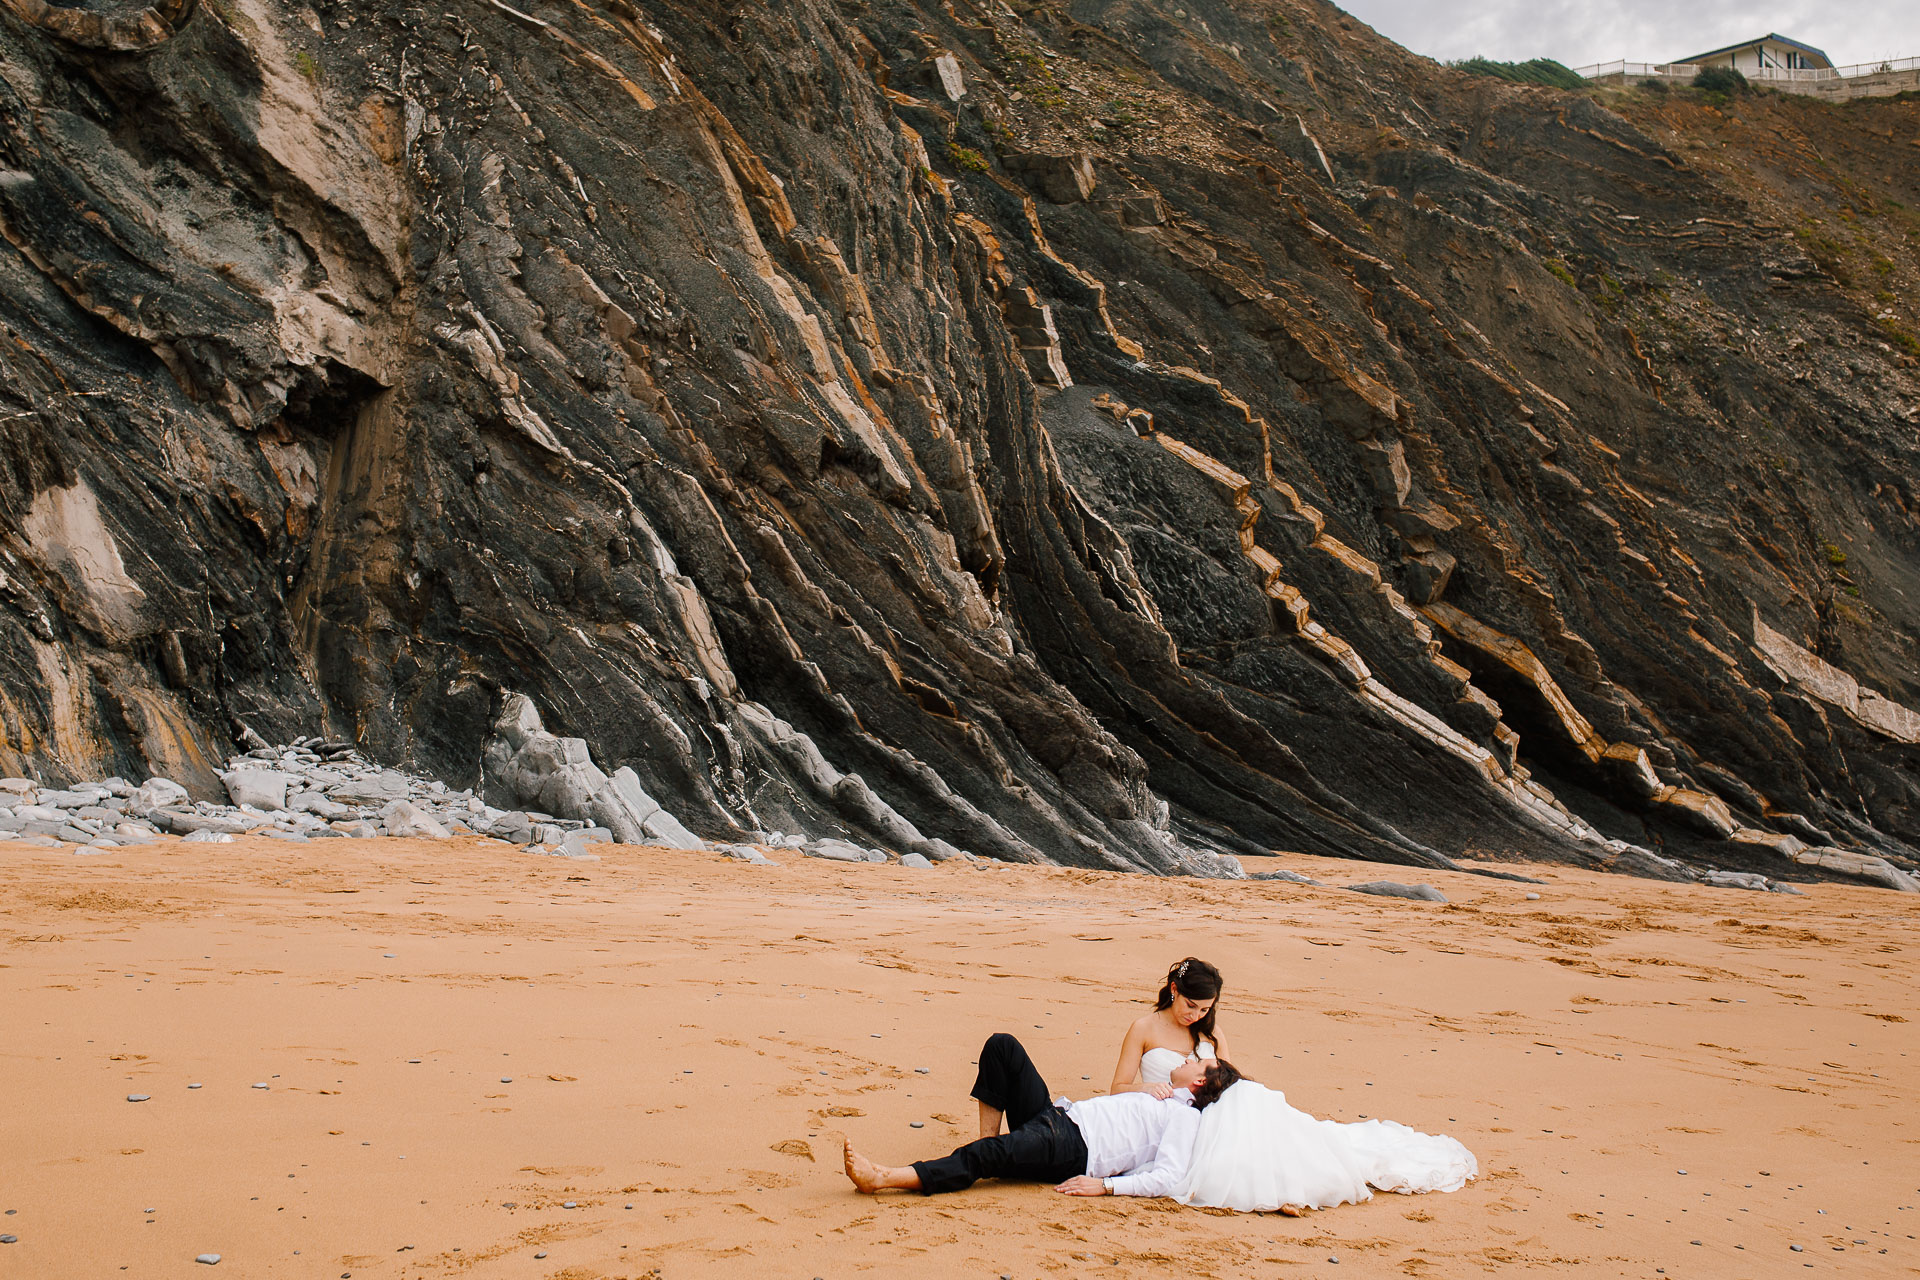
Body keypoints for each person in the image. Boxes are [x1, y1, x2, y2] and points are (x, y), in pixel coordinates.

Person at [843, 1032, 1243, 1197]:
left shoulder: (1185, 1117)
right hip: (1059, 1116)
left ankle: (884, 1179)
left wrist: (1104, 1186)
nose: (1190, 1059)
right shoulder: (1165, 1096)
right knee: (1003, 1047)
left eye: (1197, 1063)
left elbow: (1168, 1176)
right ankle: (991, 1142)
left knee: (986, 1158)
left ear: (1199, 1084)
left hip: (1070, 1148)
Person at [1172, 1071, 1477, 1214]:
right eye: (1193, 1005)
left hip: (1220, 1094)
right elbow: (1121, 1085)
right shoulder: (1150, 1031)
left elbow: (1227, 1074)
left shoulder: (1209, 1044)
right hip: (1192, 1100)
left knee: (1278, 1133)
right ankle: (1284, 1190)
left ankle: (1286, 1189)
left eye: (1204, 1008)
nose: (1197, 1014)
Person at [1109, 957, 1227, 1099]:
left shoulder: (1212, 1033)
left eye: (1204, 1010)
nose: (1195, 1016)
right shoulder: (1143, 1028)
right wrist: (1146, 1088)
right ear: (1174, 989)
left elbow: (1229, 1084)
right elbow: (1117, 1089)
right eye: (1190, 1005)